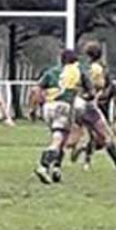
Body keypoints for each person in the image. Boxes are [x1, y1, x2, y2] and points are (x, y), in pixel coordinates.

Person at [69, 42, 116, 175]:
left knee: (95, 138)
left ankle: (72, 154)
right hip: (89, 105)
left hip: (77, 104)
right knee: (106, 136)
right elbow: (100, 85)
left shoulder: (80, 67)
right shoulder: (97, 69)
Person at [33, 49, 90, 185]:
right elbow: (91, 92)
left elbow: (36, 89)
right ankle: (44, 166)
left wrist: (34, 108)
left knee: (62, 139)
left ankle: (56, 169)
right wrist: (81, 98)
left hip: (48, 107)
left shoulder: (51, 72)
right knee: (58, 140)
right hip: (64, 106)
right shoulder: (78, 71)